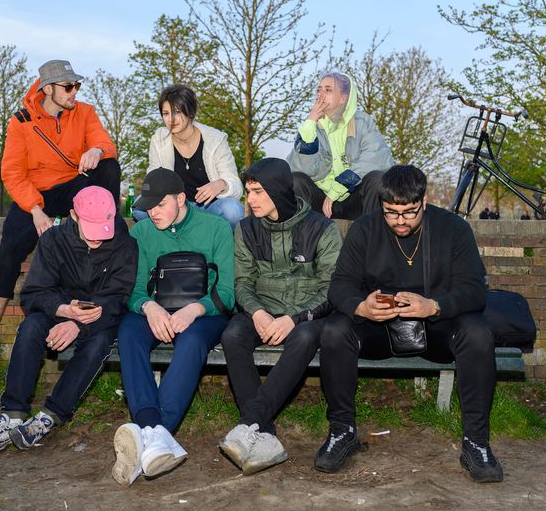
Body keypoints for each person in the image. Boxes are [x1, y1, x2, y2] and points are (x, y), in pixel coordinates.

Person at [316, 164, 504, 483]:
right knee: (335, 330)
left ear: (424, 202)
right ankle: (342, 431)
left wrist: (434, 306)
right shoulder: (364, 228)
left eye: (409, 213)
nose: (400, 221)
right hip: (379, 328)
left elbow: (474, 290)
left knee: (477, 332)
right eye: (391, 213)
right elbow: (339, 286)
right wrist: (362, 307)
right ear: (382, 205)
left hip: (437, 327)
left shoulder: (453, 228)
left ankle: (476, 442)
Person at [0, 59, 121, 371]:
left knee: (109, 166)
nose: (75, 91)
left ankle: (108, 233)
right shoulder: (21, 122)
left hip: (73, 186)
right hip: (34, 194)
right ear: (48, 89)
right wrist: (36, 211)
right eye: (68, 86)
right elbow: (12, 174)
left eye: (77, 85)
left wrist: (97, 150)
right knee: (10, 248)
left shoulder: (85, 112)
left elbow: (104, 142)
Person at [0, 186, 137, 454]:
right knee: (31, 327)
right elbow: (33, 294)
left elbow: (119, 298)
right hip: (57, 310)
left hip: (100, 317)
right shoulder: (52, 240)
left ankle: (51, 416)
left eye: (103, 227)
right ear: (73, 215)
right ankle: (12, 413)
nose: (98, 237)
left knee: (99, 344)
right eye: (91, 227)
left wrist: (78, 324)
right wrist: (64, 310)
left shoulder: (125, 245)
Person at [218, 157, 342, 475]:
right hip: (261, 308)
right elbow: (242, 282)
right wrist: (257, 312)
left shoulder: (322, 229)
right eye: (248, 192)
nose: (250, 200)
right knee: (232, 334)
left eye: (258, 192)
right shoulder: (246, 229)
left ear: (277, 191)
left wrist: (294, 318)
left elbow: (331, 288)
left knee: (305, 336)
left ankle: (249, 423)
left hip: (305, 315)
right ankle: (265, 434)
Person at [112, 168, 235, 486]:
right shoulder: (142, 232)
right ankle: (154, 432)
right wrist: (148, 306)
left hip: (204, 315)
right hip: (157, 312)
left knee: (192, 340)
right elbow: (133, 290)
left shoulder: (217, 228)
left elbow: (227, 293)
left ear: (181, 199)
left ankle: (150, 437)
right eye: (148, 206)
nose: (153, 212)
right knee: (129, 332)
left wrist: (195, 309)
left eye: (160, 204)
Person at [133, 84, 244, 230]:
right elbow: (153, 180)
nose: (171, 119)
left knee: (233, 210)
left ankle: (193, 231)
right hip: (177, 208)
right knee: (139, 208)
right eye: (166, 113)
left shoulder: (215, 140)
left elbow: (236, 186)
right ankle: (182, 232)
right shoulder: (158, 140)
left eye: (177, 112)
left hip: (209, 208)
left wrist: (221, 184)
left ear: (190, 112)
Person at [287, 71, 394, 219]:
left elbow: (376, 159)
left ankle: (371, 232)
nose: (320, 95)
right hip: (321, 201)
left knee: (377, 179)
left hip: (354, 197)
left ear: (343, 98)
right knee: (297, 180)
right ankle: (304, 233)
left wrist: (338, 188)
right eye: (319, 90)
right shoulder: (311, 128)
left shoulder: (362, 122)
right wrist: (309, 126)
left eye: (328, 90)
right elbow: (303, 170)